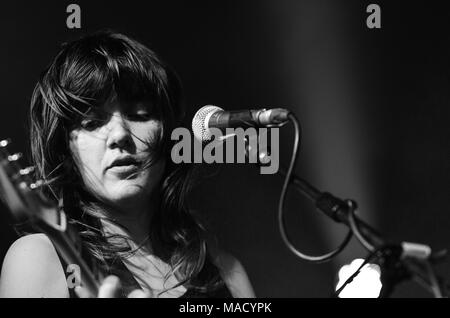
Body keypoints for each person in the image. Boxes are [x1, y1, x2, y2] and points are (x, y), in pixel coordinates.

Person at [0, 30, 255, 298]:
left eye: (139, 115)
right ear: (66, 153)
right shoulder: (39, 258)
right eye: (92, 123)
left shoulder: (227, 273)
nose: (120, 135)